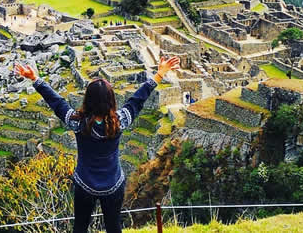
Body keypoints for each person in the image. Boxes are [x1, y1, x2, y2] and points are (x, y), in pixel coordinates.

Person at [14, 56, 180, 233]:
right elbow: (138, 99)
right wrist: (160, 74)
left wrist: (35, 79)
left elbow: (57, 102)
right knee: (113, 228)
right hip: (113, 185)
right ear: (111, 100)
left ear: (88, 100)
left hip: (85, 184)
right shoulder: (119, 121)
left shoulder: (78, 123)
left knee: (80, 227)